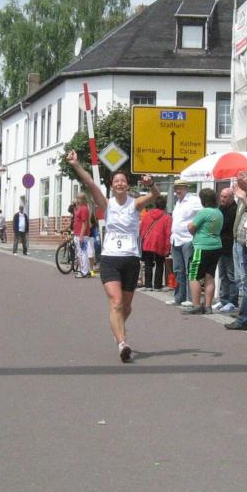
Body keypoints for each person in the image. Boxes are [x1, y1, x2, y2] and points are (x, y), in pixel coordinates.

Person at [66, 149, 159, 362]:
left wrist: (151, 184)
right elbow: (91, 183)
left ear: (127, 185)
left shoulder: (135, 204)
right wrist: (76, 165)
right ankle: (122, 343)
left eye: (123, 181)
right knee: (116, 302)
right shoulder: (106, 204)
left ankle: (117, 328)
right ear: (112, 185)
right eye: (116, 181)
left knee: (126, 306)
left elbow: (155, 196)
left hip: (131, 259)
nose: (119, 184)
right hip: (110, 259)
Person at [183, 188, 223, 315]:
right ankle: (208, 306)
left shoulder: (204, 212)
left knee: (193, 275)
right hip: (216, 246)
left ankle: (196, 305)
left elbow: (192, 227)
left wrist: (190, 227)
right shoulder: (218, 212)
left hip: (202, 246)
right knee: (209, 276)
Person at [168, 180, 202, 307]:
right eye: (176, 188)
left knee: (189, 270)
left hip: (188, 239)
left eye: (180, 188)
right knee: (178, 270)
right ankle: (179, 297)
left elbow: (202, 214)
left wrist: (195, 228)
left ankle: (190, 298)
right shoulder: (178, 202)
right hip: (176, 239)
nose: (178, 190)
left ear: (186, 188)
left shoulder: (194, 200)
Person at [214, 187, 239, 312]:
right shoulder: (221, 208)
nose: (222, 199)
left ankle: (232, 301)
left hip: (229, 246)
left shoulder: (234, 209)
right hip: (220, 246)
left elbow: (224, 224)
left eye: (225, 197)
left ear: (231, 198)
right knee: (223, 275)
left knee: (231, 275)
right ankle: (223, 300)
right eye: (221, 196)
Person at [140, 196, 172, 291]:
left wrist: (143, 240)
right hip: (160, 243)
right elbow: (168, 234)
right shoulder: (167, 218)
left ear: (155, 204)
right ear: (165, 206)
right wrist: (167, 248)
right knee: (159, 264)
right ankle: (157, 285)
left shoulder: (147, 215)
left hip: (147, 242)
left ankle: (148, 285)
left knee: (148, 263)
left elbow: (142, 229)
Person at [72, 193, 92, 278]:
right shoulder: (81, 208)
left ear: (82, 200)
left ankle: (84, 272)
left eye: (78, 199)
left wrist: (81, 235)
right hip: (79, 234)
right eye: (77, 198)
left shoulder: (84, 209)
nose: (77, 200)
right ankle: (85, 271)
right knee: (82, 253)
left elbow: (84, 223)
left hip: (81, 235)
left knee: (82, 253)